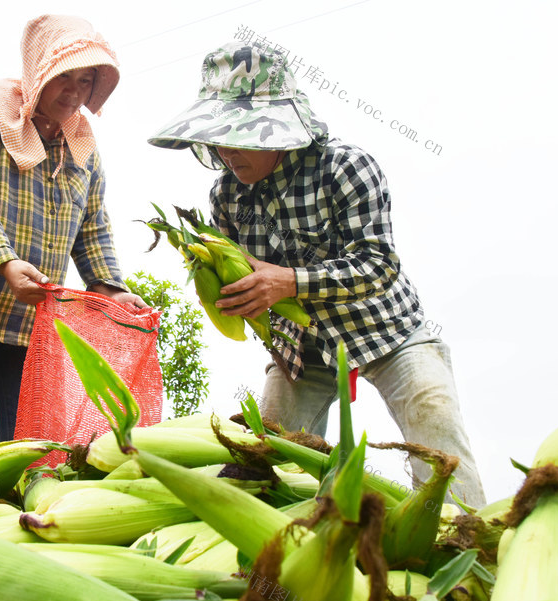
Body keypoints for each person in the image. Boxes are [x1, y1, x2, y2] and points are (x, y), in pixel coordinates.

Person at [147, 42, 486, 506]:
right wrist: (228, 291)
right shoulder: (226, 196)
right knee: (261, 459)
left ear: (277, 132)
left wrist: (287, 282)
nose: (226, 152)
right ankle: (277, 560)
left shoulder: (347, 167)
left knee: (435, 418)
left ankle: (465, 540)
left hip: (386, 331)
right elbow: (246, 279)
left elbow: (378, 265)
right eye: (217, 137)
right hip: (300, 349)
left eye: (238, 136)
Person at [0, 15, 144, 464]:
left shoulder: (84, 148)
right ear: (39, 68)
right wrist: (3, 262)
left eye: (86, 81)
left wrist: (112, 289)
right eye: (64, 77)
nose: (73, 93)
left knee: (30, 456)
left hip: (30, 323)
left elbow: (93, 226)